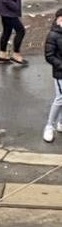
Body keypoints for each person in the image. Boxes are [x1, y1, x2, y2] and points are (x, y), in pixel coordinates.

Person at [42, 9, 62, 143]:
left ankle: (60, 122)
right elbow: (49, 56)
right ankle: (49, 126)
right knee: (60, 99)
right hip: (60, 73)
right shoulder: (53, 35)